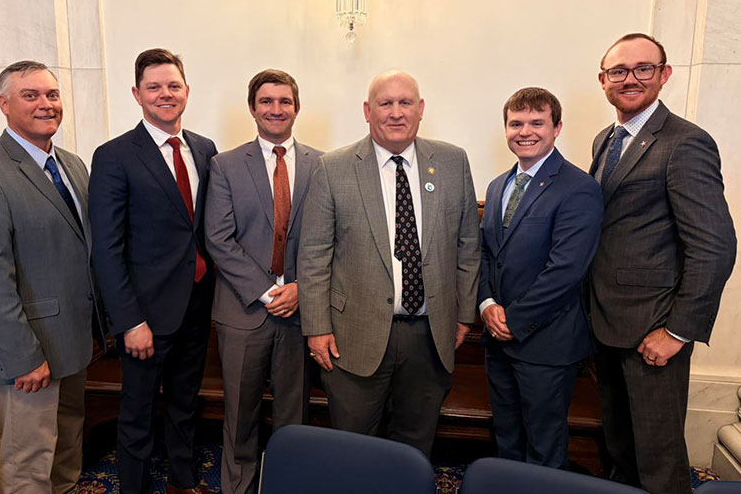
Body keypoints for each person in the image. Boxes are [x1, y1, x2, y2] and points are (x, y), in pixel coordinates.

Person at [298, 69, 480, 457]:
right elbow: (314, 255)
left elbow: (467, 244)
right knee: (353, 448)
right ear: (367, 110)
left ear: (421, 109)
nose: (396, 113)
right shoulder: (334, 167)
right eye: (386, 103)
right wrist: (316, 327)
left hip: (431, 337)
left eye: (405, 103)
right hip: (352, 337)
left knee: (415, 445)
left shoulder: (452, 161)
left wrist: (464, 315)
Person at [588, 33, 736, 494]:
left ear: (664, 74)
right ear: (603, 81)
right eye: (618, 71)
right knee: (621, 449)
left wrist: (677, 331)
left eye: (643, 69)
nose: (630, 79)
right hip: (607, 325)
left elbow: (714, 245)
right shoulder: (605, 139)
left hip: (655, 328)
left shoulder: (685, 142)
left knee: (658, 459)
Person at [0, 60, 101, 494]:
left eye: (52, 95)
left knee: (66, 451)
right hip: (26, 354)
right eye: (30, 95)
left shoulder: (72, 165)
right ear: (4, 104)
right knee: (28, 463)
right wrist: (22, 356)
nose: (45, 104)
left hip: (72, 343)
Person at [89, 49, 217, 494]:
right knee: (138, 413)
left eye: (173, 86)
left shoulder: (204, 149)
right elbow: (106, 248)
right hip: (144, 316)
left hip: (197, 307)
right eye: (154, 87)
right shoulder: (114, 156)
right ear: (137, 94)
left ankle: (183, 482)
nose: (166, 94)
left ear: (186, 91)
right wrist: (129, 321)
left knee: (185, 405)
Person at [204, 69, 322, 494]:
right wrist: (267, 290)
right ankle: (238, 488)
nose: (276, 109)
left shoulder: (322, 164)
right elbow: (218, 238)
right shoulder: (225, 165)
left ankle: (289, 485)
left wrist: (300, 289)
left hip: (299, 311)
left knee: (295, 417)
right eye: (267, 101)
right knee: (240, 416)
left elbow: (328, 240)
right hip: (243, 311)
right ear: (252, 108)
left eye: (284, 101)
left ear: (297, 107)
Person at [478, 87, 602, 468]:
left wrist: (513, 321)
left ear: (557, 127)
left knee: (544, 448)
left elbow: (565, 271)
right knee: (507, 439)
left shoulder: (579, 188)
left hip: (546, 345)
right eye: (516, 123)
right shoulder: (499, 185)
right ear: (506, 129)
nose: (525, 131)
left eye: (537, 122)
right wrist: (486, 305)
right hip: (497, 340)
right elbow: (485, 254)